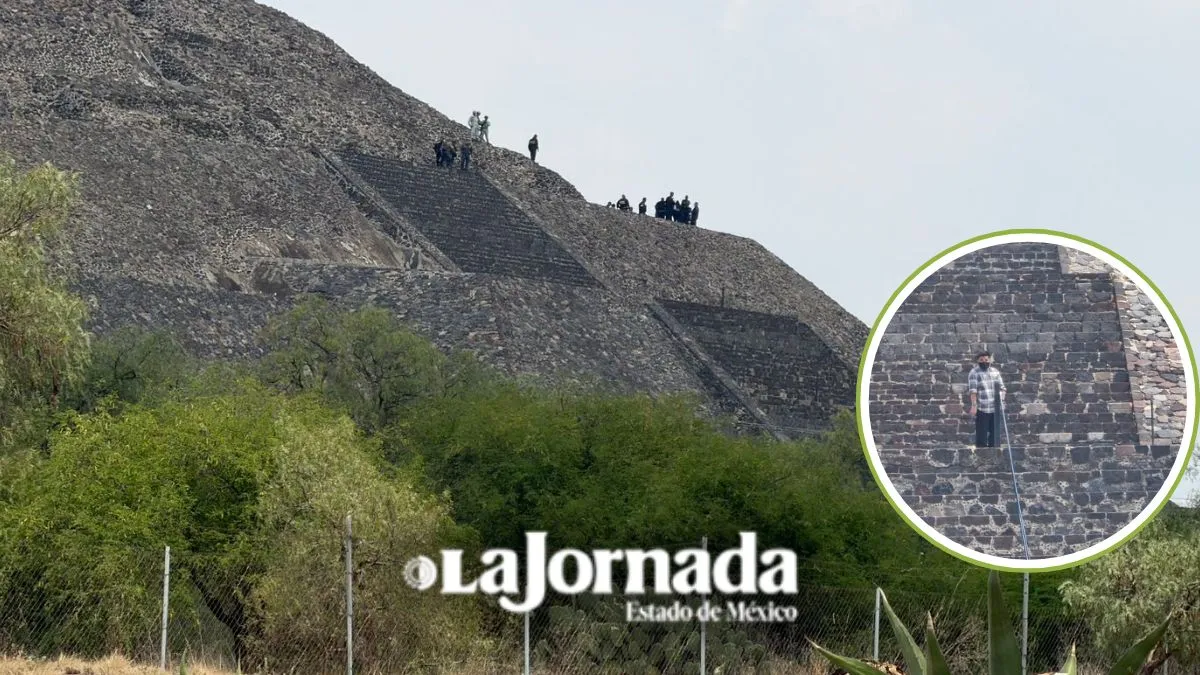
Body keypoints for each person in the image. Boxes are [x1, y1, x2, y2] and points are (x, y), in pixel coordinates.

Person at [967, 351, 1006, 448]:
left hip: (995, 408)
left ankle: (995, 455)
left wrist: (1002, 395)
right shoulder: (974, 372)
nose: (984, 362)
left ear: (989, 360)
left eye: (986, 360)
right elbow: (973, 391)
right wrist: (974, 406)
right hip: (982, 408)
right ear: (978, 361)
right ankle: (981, 457)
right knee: (982, 435)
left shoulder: (995, 372)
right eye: (981, 360)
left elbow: (1002, 388)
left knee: (995, 434)